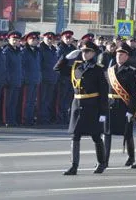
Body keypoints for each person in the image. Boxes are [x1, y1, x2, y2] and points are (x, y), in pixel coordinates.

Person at [55, 40, 108, 176]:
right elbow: (57, 69)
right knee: (75, 136)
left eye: (88, 51)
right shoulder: (76, 67)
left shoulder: (98, 69)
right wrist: (66, 57)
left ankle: (102, 163)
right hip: (77, 106)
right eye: (83, 51)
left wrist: (103, 112)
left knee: (96, 136)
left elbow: (103, 92)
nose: (85, 54)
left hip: (92, 106)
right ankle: (74, 166)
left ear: (93, 53)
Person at [104, 42, 136, 167]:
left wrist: (131, 110)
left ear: (127, 57)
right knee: (107, 134)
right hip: (110, 106)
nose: (119, 56)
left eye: (122, 54)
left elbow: (133, 94)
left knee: (127, 133)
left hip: (123, 106)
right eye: (118, 53)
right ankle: (104, 160)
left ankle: (131, 157)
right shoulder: (109, 71)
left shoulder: (131, 72)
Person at [55, 30, 76, 124]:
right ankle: (60, 117)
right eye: (66, 38)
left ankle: (66, 116)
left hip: (71, 76)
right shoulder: (61, 48)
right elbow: (59, 63)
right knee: (61, 98)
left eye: (70, 38)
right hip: (63, 76)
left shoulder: (72, 48)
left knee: (69, 97)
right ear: (62, 38)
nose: (68, 40)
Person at [21, 32, 41, 126]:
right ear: (27, 40)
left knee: (32, 101)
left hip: (35, 79)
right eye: (32, 39)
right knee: (26, 101)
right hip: (28, 80)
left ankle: (30, 118)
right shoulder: (24, 51)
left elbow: (38, 66)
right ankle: (25, 119)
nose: (34, 41)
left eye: (36, 40)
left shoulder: (37, 51)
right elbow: (22, 66)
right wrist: (24, 78)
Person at [3, 31, 23, 127]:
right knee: (8, 102)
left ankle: (12, 119)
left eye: (17, 40)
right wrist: (7, 79)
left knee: (14, 102)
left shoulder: (18, 51)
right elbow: (5, 67)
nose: (15, 41)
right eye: (13, 39)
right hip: (10, 81)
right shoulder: (7, 51)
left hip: (17, 80)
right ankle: (7, 119)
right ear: (9, 40)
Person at [39, 32, 58, 125]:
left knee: (48, 99)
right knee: (42, 99)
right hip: (44, 78)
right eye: (48, 38)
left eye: (52, 39)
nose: (50, 41)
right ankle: (41, 118)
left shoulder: (53, 49)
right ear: (44, 39)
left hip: (52, 77)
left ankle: (46, 117)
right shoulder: (41, 49)